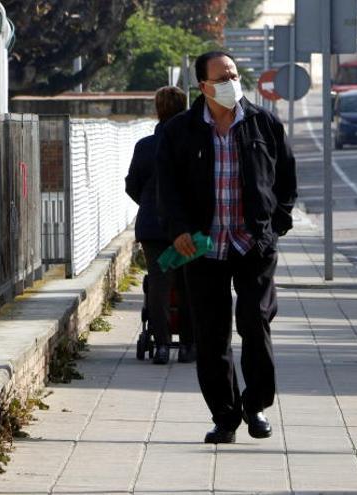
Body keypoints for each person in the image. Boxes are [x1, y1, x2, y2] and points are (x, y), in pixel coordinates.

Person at [156, 51, 297, 444]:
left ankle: (257, 406)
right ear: (203, 86)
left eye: (234, 74)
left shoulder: (263, 123)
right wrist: (180, 229)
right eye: (222, 77)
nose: (231, 81)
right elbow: (166, 188)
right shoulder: (180, 131)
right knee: (212, 334)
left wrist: (275, 226)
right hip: (202, 248)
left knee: (255, 321)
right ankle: (225, 416)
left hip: (252, 244)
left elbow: (286, 179)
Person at [125, 86, 195, 365]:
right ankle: (189, 344)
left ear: (158, 109)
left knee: (159, 283)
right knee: (188, 283)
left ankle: (163, 344)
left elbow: (133, 185)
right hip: (188, 227)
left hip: (153, 227)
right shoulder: (193, 144)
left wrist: (149, 203)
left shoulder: (145, 146)